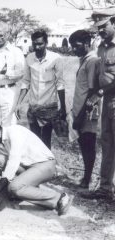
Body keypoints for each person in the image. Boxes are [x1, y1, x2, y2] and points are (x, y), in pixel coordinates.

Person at [0, 118, 73, 216]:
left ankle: (60, 198)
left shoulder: (15, 132)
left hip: (45, 165)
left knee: (14, 188)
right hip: (29, 168)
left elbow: (13, 164)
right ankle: (32, 192)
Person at [82, 9, 115, 200]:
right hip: (108, 103)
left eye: (104, 27)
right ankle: (105, 189)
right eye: (98, 28)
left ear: (113, 23)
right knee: (107, 144)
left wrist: (101, 92)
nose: (100, 31)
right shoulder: (102, 47)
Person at [16, 29, 66, 149]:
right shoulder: (29, 58)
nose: (37, 47)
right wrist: (18, 104)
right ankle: (38, 164)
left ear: (46, 43)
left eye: (40, 44)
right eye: (35, 44)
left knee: (46, 140)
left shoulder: (56, 59)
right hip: (33, 107)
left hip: (49, 107)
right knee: (35, 139)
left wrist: (63, 107)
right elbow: (26, 82)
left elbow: (60, 84)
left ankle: (48, 164)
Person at [69, 30, 101, 189]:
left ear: (87, 44)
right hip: (80, 111)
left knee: (88, 143)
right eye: (72, 47)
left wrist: (80, 115)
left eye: (77, 46)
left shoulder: (92, 61)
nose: (74, 50)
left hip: (87, 112)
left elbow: (92, 90)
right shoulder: (85, 60)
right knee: (83, 143)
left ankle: (87, 179)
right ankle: (85, 178)